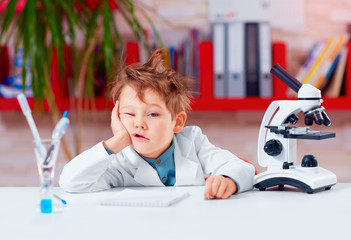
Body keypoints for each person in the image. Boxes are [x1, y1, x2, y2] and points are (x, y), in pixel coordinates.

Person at [59, 49, 255, 199]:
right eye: (128, 114)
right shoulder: (119, 161)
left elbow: (244, 169)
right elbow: (70, 182)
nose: (139, 123)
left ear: (177, 122)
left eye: (152, 114)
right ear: (116, 116)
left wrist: (228, 180)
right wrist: (117, 140)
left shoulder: (192, 142)